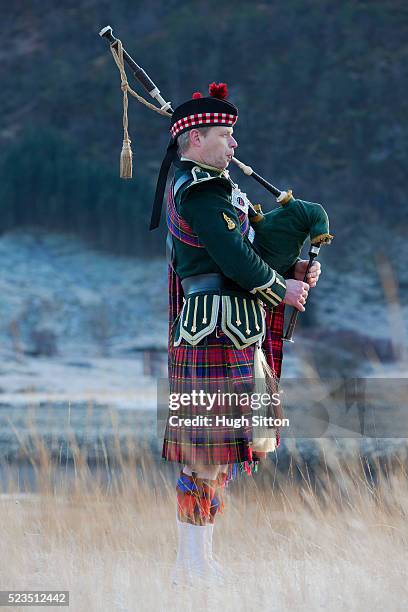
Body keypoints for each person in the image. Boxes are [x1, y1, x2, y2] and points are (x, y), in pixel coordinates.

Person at [151, 82, 321, 584]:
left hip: (234, 332)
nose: (234, 144)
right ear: (196, 139)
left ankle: (202, 559)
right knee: (204, 452)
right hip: (211, 331)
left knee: (220, 455)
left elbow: (252, 250)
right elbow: (232, 258)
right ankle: (189, 563)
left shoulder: (222, 190)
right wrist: (280, 289)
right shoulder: (198, 191)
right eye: (225, 134)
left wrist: (293, 269)